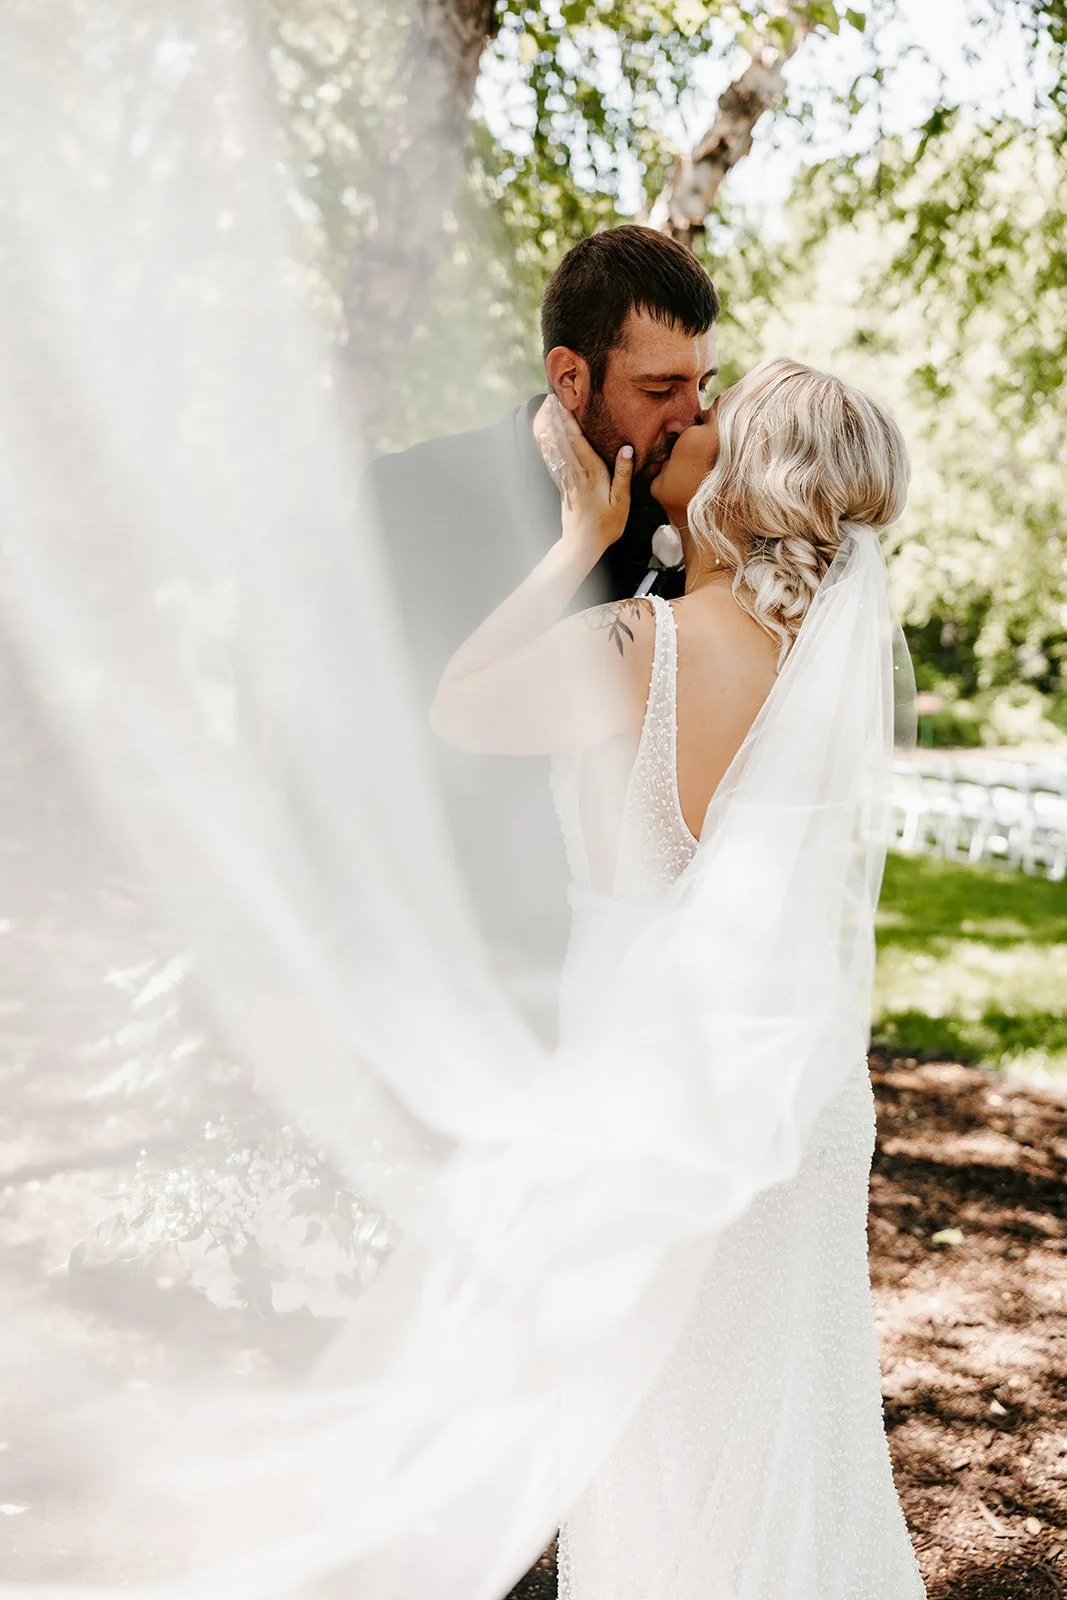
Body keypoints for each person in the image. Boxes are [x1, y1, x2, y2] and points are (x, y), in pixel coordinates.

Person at [432, 358, 928, 1599]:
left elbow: (459, 706)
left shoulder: (639, 641)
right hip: (801, 1107)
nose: (684, 426)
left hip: (660, 1105)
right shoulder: (826, 671)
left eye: (711, 416)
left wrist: (575, 543)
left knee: (657, 1460)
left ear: (746, 476)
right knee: (786, 1451)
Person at [368, 227, 720, 1028]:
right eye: (660, 386)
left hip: (603, 973)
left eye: (702, 384)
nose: (691, 415)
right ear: (570, 376)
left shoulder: (688, 519)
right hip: (422, 964)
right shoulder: (410, 495)